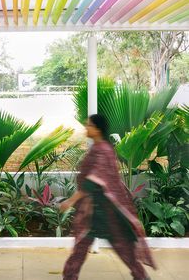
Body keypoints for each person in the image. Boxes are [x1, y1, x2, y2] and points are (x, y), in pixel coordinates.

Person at [59, 114, 156, 280]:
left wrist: (71, 201)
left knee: (123, 248)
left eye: (88, 125)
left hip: (106, 211)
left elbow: (93, 181)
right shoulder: (99, 148)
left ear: (97, 130)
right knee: (82, 248)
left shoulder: (102, 150)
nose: (85, 128)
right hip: (95, 211)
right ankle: (69, 276)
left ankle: (141, 277)